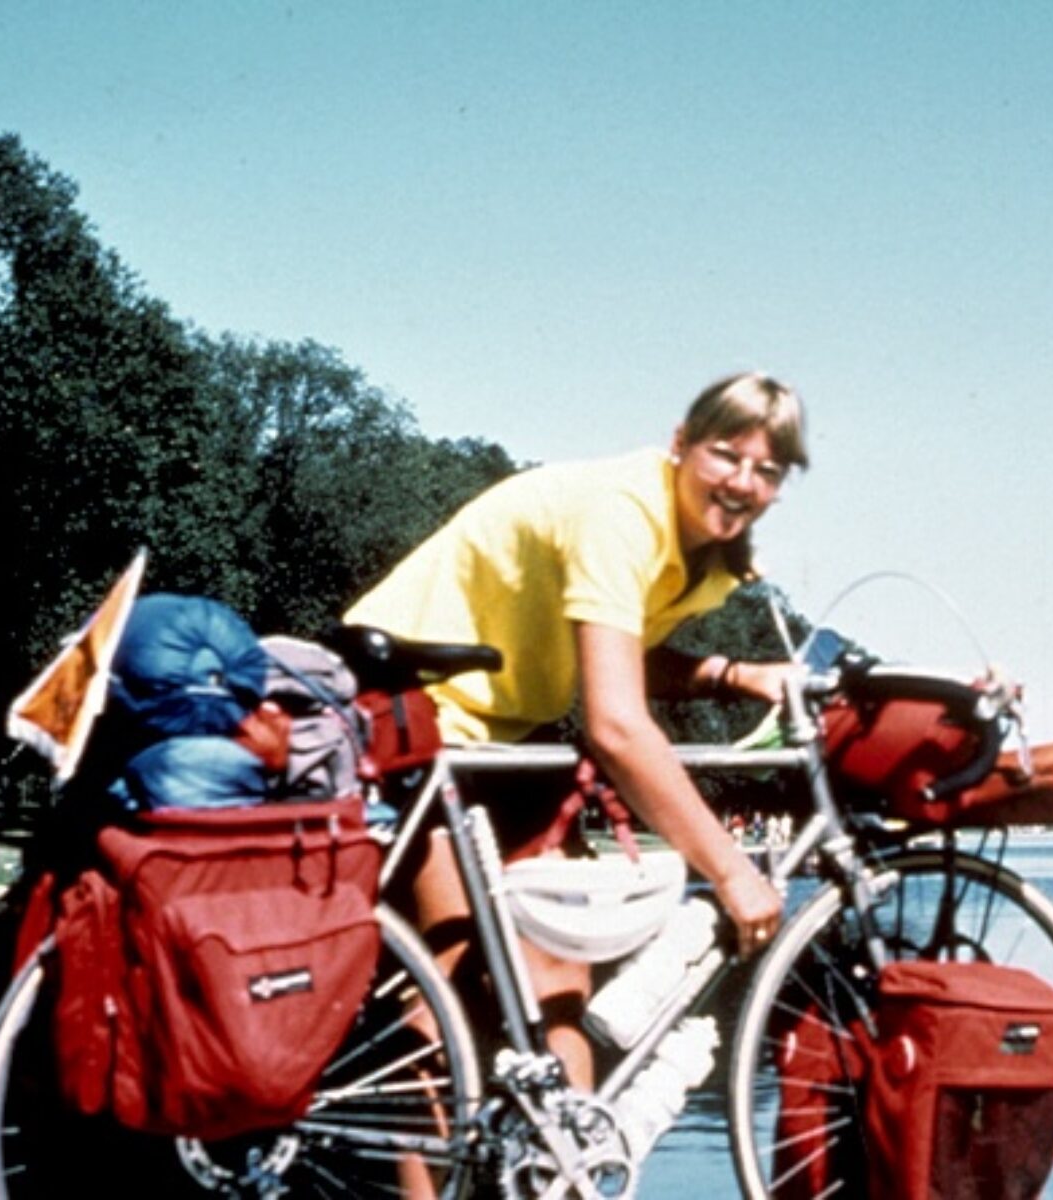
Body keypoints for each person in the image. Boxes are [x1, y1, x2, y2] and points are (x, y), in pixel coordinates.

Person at [344, 371, 806, 1087]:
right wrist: (733, 870)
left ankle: (568, 1176)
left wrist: (735, 674)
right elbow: (617, 726)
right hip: (411, 705)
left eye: (767, 470)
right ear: (680, 444)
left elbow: (615, 652)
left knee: (559, 987)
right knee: (452, 994)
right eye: (725, 454)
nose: (742, 482)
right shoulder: (622, 514)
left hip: (502, 731)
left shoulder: (707, 555)